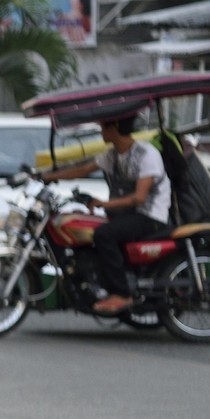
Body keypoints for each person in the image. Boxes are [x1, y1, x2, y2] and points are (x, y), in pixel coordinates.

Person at [41, 114, 171, 315]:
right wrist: (48, 176)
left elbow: (139, 198)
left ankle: (122, 294)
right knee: (89, 230)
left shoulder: (146, 154)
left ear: (115, 127)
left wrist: (104, 203)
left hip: (150, 216)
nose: (101, 131)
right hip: (127, 215)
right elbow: (83, 169)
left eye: (104, 127)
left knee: (104, 234)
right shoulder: (114, 154)